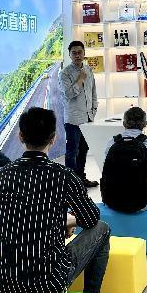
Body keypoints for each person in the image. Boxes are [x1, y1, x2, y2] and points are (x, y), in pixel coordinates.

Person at [0, 107, 113, 293]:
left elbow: (19, 216)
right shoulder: (63, 175)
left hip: (1, 281)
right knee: (102, 229)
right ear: (53, 139)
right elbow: (91, 218)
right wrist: (68, 221)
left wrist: (58, 221)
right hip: (46, 284)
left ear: (20, 136)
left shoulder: (4, 175)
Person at [60, 40, 99, 188]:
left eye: (80, 52)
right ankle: (71, 184)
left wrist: (94, 110)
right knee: (72, 151)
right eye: (74, 53)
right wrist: (80, 79)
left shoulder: (89, 70)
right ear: (70, 55)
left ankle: (81, 179)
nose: (77, 55)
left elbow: (93, 92)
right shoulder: (65, 73)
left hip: (88, 118)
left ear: (84, 53)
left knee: (83, 150)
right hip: (73, 119)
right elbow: (69, 94)